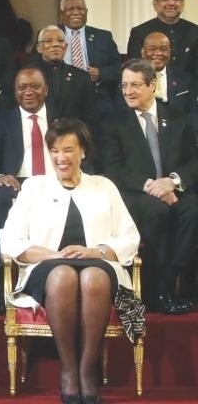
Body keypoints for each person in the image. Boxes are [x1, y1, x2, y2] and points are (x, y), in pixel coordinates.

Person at [0, 118, 142, 403]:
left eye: (68, 150)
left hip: (98, 264)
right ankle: (68, 369)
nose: (60, 158)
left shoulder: (103, 186)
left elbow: (130, 237)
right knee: (63, 274)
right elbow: (11, 240)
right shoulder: (34, 187)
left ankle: (87, 370)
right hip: (47, 266)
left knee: (93, 277)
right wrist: (55, 255)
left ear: (83, 151)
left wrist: (96, 251)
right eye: (54, 150)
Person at [101, 59, 198, 314]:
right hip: (134, 193)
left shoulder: (178, 117)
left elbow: (193, 160)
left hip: (172, 188)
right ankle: (157, 291)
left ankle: (171, 281)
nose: (128, 91)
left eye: (135, 85)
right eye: (124, 85)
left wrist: (172, 182)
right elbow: (113, 169)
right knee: (158, 211)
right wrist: (152, 186)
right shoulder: (113, 122)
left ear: (152, 85)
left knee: (192, 210)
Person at [0, 67, 55, 315]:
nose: (28, 92)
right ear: (14, 92)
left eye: (35, 86)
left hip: (55, 181)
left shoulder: (63, 121)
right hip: (17, 184)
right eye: (22, 88)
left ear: (46, 90)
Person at [31, 26, 102, 132]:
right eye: (48, 41)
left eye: (60, 40)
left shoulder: (82, 77)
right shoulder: (29, 77)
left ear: (66, 46)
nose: (55, 44)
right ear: (39, 48)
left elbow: (90, 118)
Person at [57, 0, 122, 108]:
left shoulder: (104, 37)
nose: (76, 12)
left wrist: (101, 73)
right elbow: (37, 66)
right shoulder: (49, 36)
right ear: (61, 14)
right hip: (61, 96)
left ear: (86, 12)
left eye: (80, 8)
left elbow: (119, 68)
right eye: (70, 9)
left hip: (96, 96)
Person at [127, 0, 198, 74]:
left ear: (182, 4)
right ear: (155, 4)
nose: (171, 3)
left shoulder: (195, 32)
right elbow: (134, 69)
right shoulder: (140, 32)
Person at [134, 32, 195, 123]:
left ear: (169, 52)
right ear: (143, 52)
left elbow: (194, 112)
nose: (158, 53)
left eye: (163, 49)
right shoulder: (130, 80)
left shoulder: (185, 79)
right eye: (152, 49)